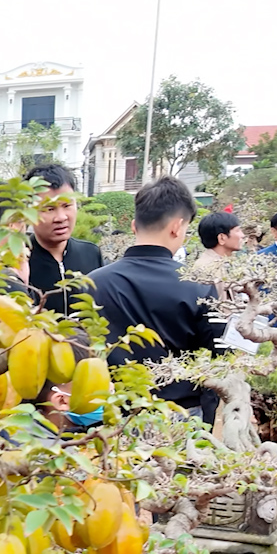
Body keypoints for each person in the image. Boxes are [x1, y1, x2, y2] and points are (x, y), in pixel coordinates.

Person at [84, 178, 224, 416]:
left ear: (133, 226)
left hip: (112, 413)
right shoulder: (197, 285)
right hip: (181, 414)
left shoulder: (93, 282)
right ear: (177, 227)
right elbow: (218, 357)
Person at [23, 163, 105, 314]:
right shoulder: (21, 260)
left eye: (67, 206)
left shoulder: (91, 253)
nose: (61, 217)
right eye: (49, 209)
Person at [192, 210, 246, 276]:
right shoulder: (208, 268)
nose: (242, 235)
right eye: (237, 231)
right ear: (221, 238)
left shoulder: (226, 261)